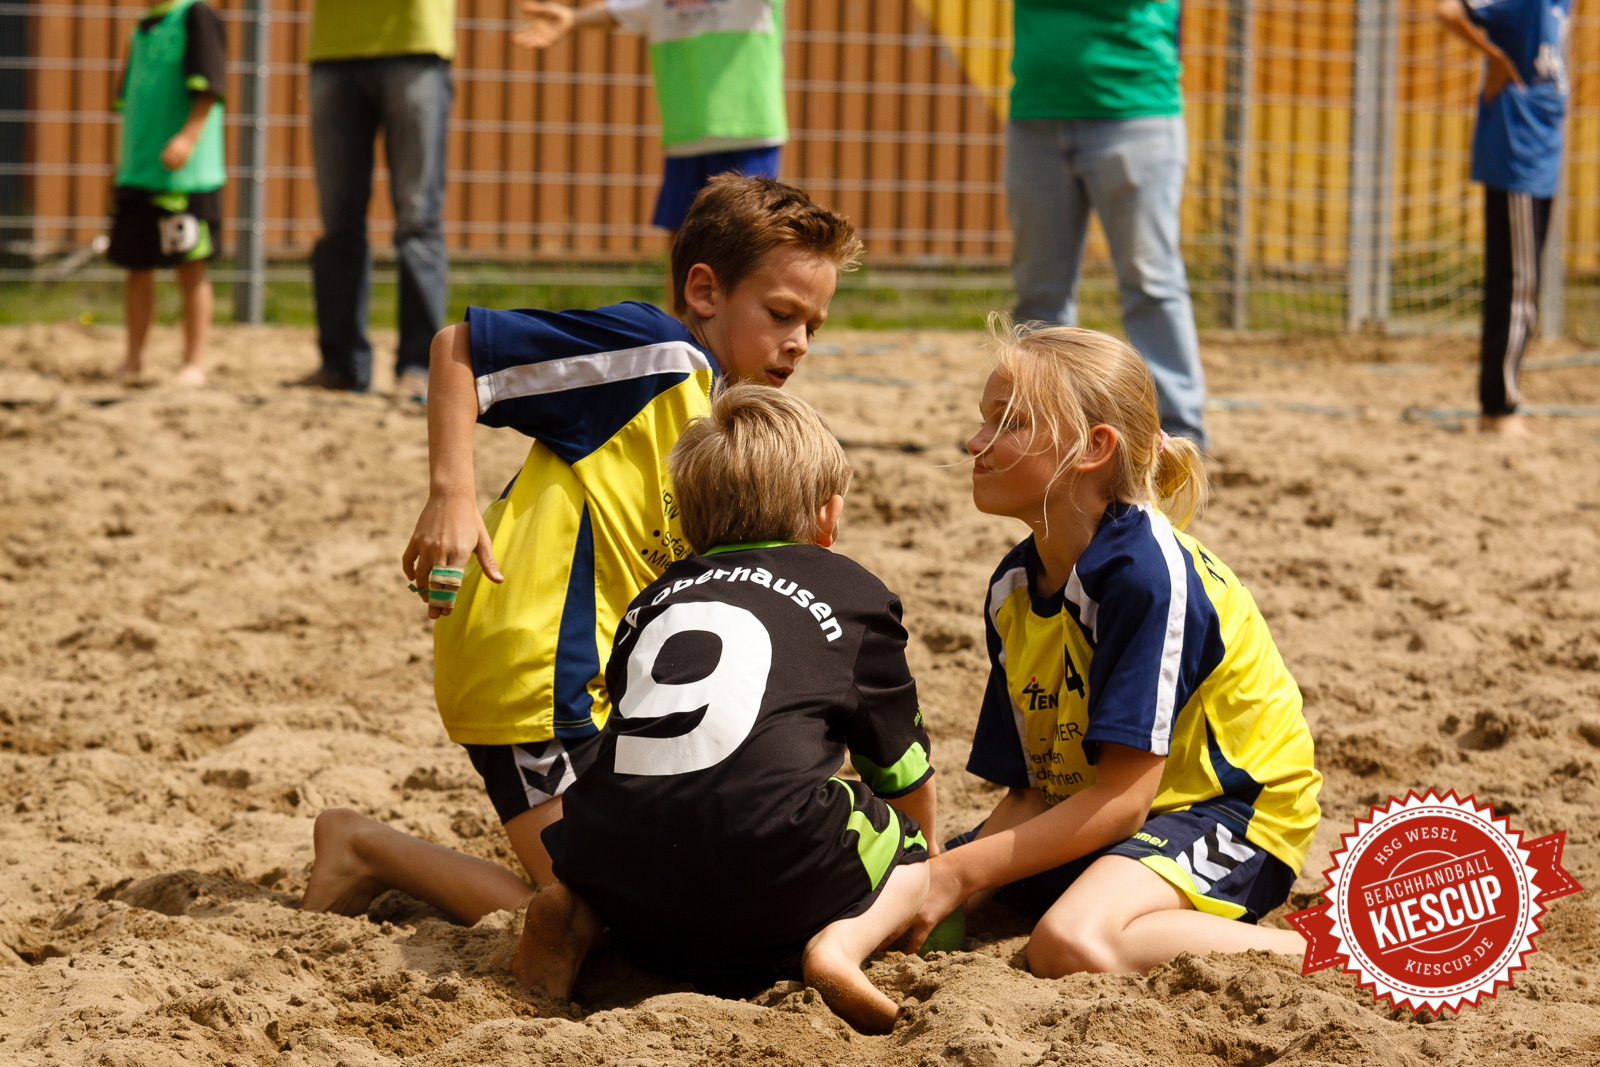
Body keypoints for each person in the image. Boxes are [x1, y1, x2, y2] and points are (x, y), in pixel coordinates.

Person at [300, 176, 864, 934]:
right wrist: (451, 496)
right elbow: (459, 350)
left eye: (813, 327)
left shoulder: (715, 408)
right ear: (704, 289)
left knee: (655, 898)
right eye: (781, 314)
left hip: (604, 682)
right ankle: (365, 847)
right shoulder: (654, 354)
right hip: (536, 666)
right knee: (591, 926)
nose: (797, 342)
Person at [902, 322, 1321, 978]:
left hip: (1232, 812)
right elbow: (1033, 794)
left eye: (1007, 421)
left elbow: (1124, 797)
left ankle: (1333, 952)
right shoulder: (1012, 587)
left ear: (1094, 447)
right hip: (1120, 810)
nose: (974, 442)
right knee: (915, 892)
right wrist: (940, 883)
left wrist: (957, 871)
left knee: (1069, 941)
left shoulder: (1143, 574)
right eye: (982, 419)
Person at [515, 384, 936, 1034]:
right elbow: (901, 767)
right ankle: (838, 947)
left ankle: (574, 908)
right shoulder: (853, 591)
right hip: (770, 863)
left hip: (617, 864)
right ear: (828, 515)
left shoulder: (653, 597)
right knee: (907, 849)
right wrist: (919, 865)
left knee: (648, 818)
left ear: (689, 522)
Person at [1003, 0, 1208, 448]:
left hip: (1136, 110)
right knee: (1039, 291)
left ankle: (1177, 433)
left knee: (1151, 282)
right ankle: (1040, 423)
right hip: (1036, 110)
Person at [514, 0, 786, 233]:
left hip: (748, 130)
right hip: (685, 133)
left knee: (745, 237)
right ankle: (680, 297)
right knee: (684, 236)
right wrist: (572, 18)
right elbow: (619, 11)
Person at [298, 0, 456, 402]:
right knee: (338, 222)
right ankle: (342, 364)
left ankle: (419, 366)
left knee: (418, 219)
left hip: (416, 44)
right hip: (334, 48)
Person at [1437, 0, 1572, 436]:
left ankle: (1500, 403)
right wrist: (1494, 56)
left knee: (1518, 284)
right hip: (1519, 157)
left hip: (1541, 155)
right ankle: (1499, 408)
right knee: (1517, 287)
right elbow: (1448, 12)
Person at [107, 0, 226, 387]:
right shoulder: (140, 28)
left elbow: (210, 85)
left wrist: (188, 137)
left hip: (184, 179)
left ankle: (194, 363)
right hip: (139, 174)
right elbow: (129, 102)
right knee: (136, 269)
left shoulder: (195, 15)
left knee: (189, 267)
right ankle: (133, 358)